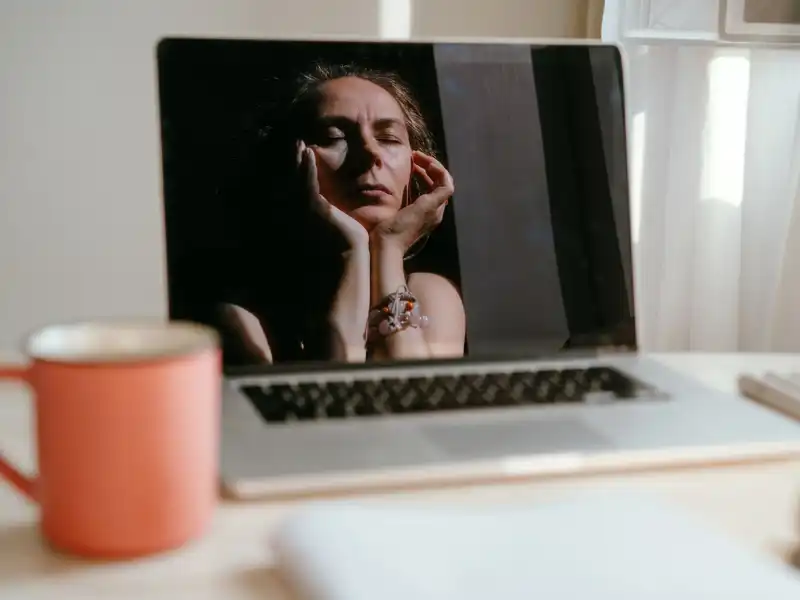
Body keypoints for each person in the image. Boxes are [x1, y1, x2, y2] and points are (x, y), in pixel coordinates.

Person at [217, 63, 466, 365]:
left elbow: (417, 398)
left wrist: (388, 248)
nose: (370, 153)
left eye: (389, 138)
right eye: (335, 137)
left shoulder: (430, 294)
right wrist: (353, 251)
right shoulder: (244, 320)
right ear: (286, 163)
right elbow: (334, 399)